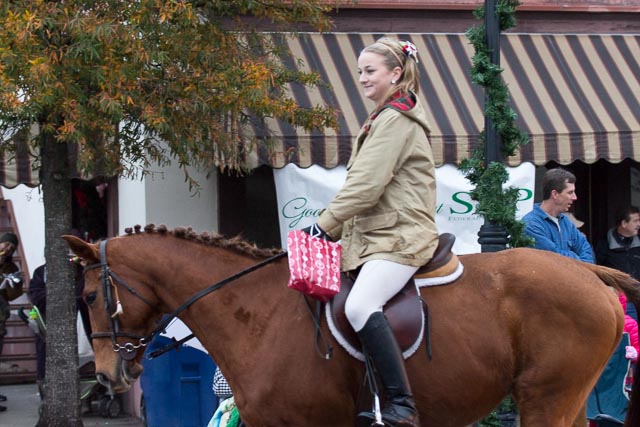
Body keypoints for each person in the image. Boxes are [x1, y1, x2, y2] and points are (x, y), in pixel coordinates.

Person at [303, 37, 438, 427]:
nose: (362, 78)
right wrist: (328, 230)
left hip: (399, 236)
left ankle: (403, 406)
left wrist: (322, 226)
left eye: (370, 71)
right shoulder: (382, 117)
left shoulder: (395, 119)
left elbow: (364, 189)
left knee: (360, 305)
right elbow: (359, 192)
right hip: (376, 236)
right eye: (360, 71)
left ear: (396, 74)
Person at [522, 168, 594, 262]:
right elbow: (554, 259)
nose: (575, 197)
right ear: (555, 194)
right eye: (570, 192)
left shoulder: (566, 222)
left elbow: (587, 251)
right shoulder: (530, 224)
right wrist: (578, 259)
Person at [0, 232, 23, 412]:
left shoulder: (10, 267)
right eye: (5, 244)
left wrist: (13, 283)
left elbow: (13, 294)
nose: (7, 249)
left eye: (11, 248)